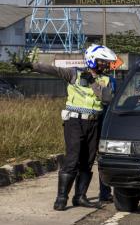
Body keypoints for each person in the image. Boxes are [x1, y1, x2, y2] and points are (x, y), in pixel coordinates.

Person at [13, 44, 117, 211]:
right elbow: (52, 69)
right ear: (91, 60)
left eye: (106, 63)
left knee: (88, 161)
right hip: (75, 122)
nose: (105, 65)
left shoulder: (106, 80)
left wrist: (93, 84)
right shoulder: (74, 73)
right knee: (72, 159)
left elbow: (107, 99)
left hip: (94, 122)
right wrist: (30, 65)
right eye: (102, 62)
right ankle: (61, 198)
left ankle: (80, 197)